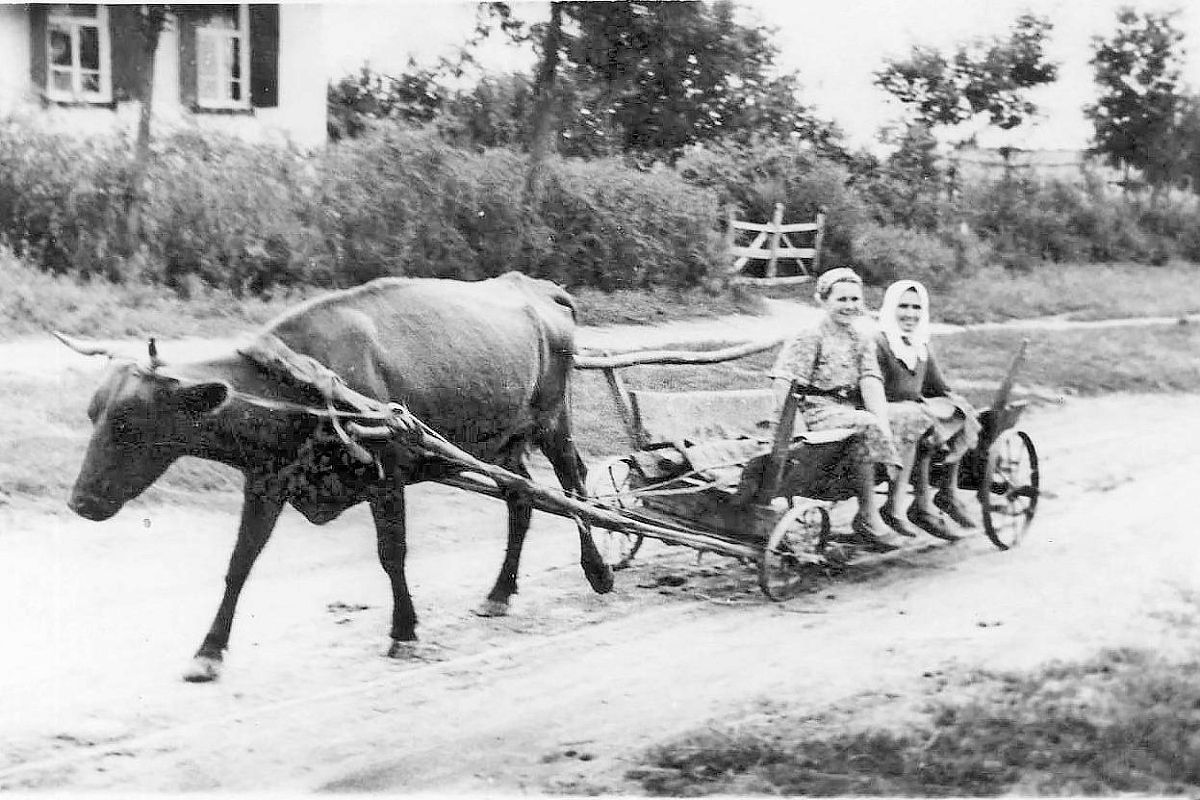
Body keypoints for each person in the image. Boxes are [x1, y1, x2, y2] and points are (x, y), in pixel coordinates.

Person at [770, 267, 903, 553]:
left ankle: (894, 503)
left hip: (845, 410)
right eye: (842, 299)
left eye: (855, 300)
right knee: (867, 424)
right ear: (822, 299)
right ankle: (869, 514)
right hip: (813, 410)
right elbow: (786, 383)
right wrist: (789, 432)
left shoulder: (860, 338)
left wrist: (883, 423)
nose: (850, 306)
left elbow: (870, 381)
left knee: (899, 421)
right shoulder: (811, 336)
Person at [875, 280, 981, 539]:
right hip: (887, 413)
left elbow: (938, 386)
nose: (910, 314)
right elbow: (870, 389)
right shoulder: (880, 343)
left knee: (957, 413)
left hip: (913, 411)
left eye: (916, 307)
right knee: (923, 422)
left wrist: (959, 406)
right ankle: (920, 504)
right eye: (903, 306)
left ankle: (948, 492)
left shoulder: (920, 344)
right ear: (890, 308)